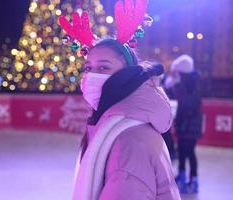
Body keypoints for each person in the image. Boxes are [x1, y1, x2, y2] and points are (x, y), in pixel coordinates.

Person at [59, 0, 180, 199]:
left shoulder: (129, 141)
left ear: (127, 73)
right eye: (88, 68)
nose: (91, 76)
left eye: (103, 67)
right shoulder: (114, 125)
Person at [165, 54, 202, 194]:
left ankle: (187, 177)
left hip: (188, 124)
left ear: (181, 72)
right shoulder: (191, 82)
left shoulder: (189, 84)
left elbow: (187, 104)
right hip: (189, 124)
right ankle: (190, 177)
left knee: (186, 151)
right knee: (187, 151)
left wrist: (175, 86)